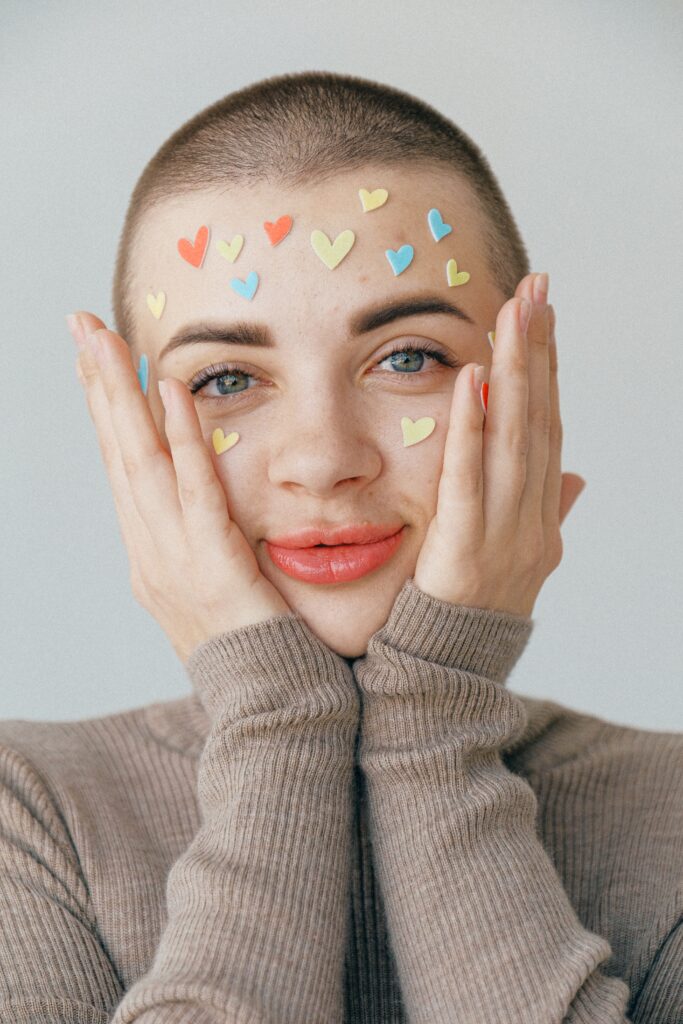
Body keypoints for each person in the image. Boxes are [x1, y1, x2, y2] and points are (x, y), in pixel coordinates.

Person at [1, 70, 680, 1023]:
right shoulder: (29, 816)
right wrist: (279, 719)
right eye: (227, 376)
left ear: (532, 394)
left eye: (407, 359)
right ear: (132, 437)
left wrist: (434, 719)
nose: (323, 461)